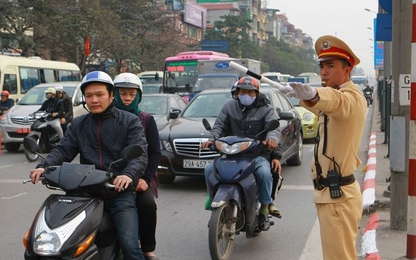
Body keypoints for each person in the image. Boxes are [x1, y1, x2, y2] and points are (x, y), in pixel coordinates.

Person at [29, 71, 149, 260]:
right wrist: (44, 166)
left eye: (99, 94)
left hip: (118, 193)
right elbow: (63, 149)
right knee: (59, 240)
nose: (94, 100)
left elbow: (139, 155)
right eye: (89, 95)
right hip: (84, 193)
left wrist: (128, 175)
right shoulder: (78, 124)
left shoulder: (129, 122)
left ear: (111, 95)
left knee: (130, 245)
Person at [279, 35, 366, 260]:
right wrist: (302, 96)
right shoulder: (335, 100)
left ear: (347, 70)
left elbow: (335, 101)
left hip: (339, 197)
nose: (323, 72)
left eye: (330, 66)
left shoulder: (352, 98)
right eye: (321, 66)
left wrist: (314, 93)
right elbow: (324, 107)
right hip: (329, 195)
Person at [201, 76, 282, 231]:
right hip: (232, 153)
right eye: (243, 91)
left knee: (264, 173)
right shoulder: (229, 107)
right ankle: (213, 200)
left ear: (256, 93)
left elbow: (274, 129)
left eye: (250, 92)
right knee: (209, 170)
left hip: (256, 154)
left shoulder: (266, 109)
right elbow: (218, 127)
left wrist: (271, 139)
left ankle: (265, 207)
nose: (246, 95)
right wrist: (211, 140)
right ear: (237, 93)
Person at [113, 72, 161, 260]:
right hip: (111, 174)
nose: (127, 98)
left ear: (138, 96)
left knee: (147, 204)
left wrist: (145, 178)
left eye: (132, 94)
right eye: (123, 93)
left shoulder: (146, 120)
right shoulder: (106, 117)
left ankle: (147, 247)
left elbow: (155, 153)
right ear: (114, 94)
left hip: (140, 175)